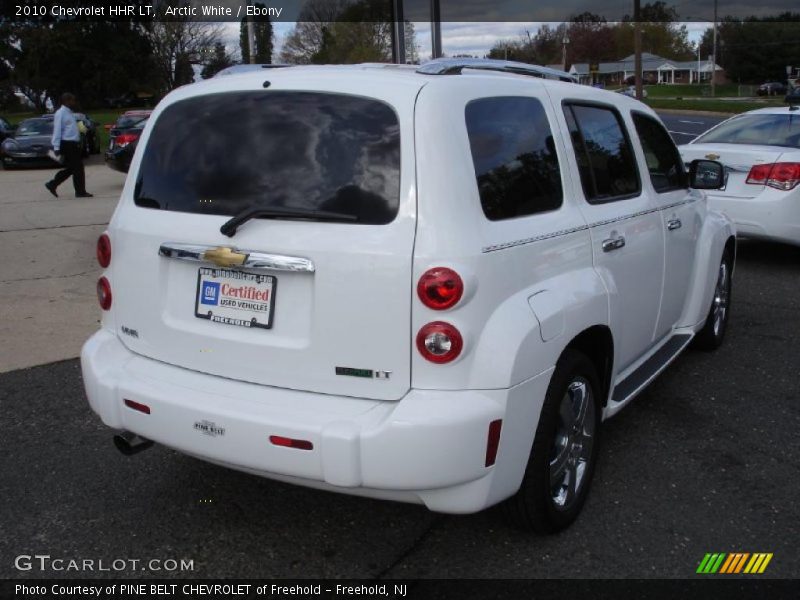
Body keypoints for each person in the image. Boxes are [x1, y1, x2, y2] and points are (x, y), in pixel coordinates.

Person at [45, 93, 93, 198]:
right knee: (78, 168)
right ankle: (80, 192)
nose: (74, 102)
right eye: (72, 100)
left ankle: (52, 184)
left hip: (73, 144)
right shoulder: (60, 113)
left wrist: (85, 130)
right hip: (67, 144)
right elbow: (57, 130)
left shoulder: (70, 113)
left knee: (73, 168)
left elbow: (73, 127)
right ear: (66, 101)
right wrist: (56, 147)